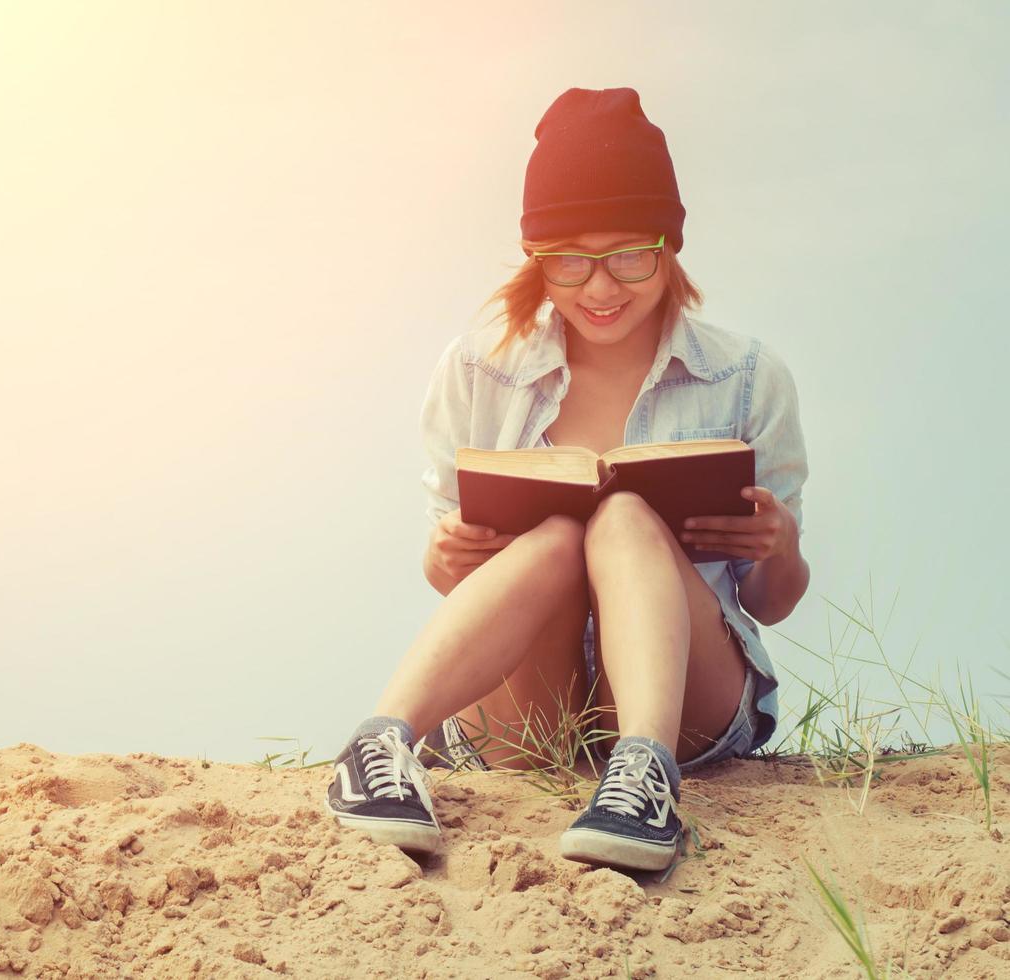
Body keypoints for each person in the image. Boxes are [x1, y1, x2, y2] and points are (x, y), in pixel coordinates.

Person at [323, 87, 810, 874]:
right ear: (537, 261)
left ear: (670, 245)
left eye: (629, 253)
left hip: (686, 703)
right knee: (555, 537)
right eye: (569, 261)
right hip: (525, 709)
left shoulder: (747, 378)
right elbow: (448, 572)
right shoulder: (480, 370)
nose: (601, 287)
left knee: (620, 519)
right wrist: (445, 555)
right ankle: (379, 744)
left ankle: (644, 775)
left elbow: (768, 601)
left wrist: (778, 547)